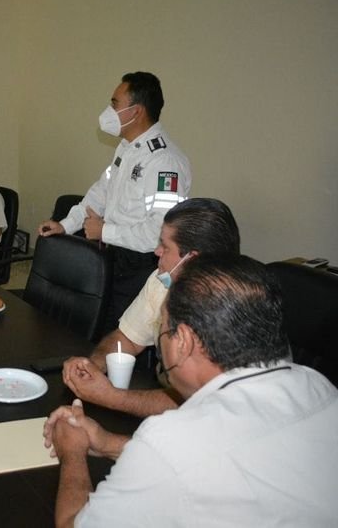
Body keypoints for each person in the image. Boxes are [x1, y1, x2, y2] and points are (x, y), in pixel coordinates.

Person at [44, 255, 338, 527]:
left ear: (182, 341)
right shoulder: (319, 386)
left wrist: (72, 452)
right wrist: (107, 443)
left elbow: (74, 523)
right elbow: (218, 465)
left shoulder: (172, 439)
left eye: (164, 327)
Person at [39, 72, 192, 331]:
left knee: (119, 336)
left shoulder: (164, 162)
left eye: (114, 103)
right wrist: (66, 224)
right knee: (92, 328)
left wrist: (104, 230)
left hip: (139, 267)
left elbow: (160, 232)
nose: (109, 110)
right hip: (112, 257)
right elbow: (101, 192)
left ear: (137, 111)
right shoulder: (126, 148)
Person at [62, 198, 240, 417]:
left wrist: (110, 396)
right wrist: (93, 366)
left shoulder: (232, 309)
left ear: (191, 258)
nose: (156, 251)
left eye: (165, 246)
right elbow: (127, 338)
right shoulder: (161, 280)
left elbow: (197, 402)